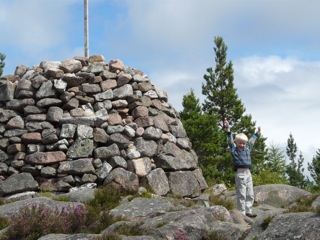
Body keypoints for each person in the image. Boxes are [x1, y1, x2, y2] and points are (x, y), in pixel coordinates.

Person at [224, 119, 261, 218]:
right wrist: (228, 128)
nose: (242, 145)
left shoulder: (247, 148)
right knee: (242, 194)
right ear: (236, 143)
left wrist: (257, 133)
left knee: (250, 193)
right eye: (240, 143)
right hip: (240, 173)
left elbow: (252, 141)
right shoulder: (234, 149)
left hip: (248, 173)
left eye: (244, 143)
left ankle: (248, 210)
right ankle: (242, 213)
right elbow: (230, 139)